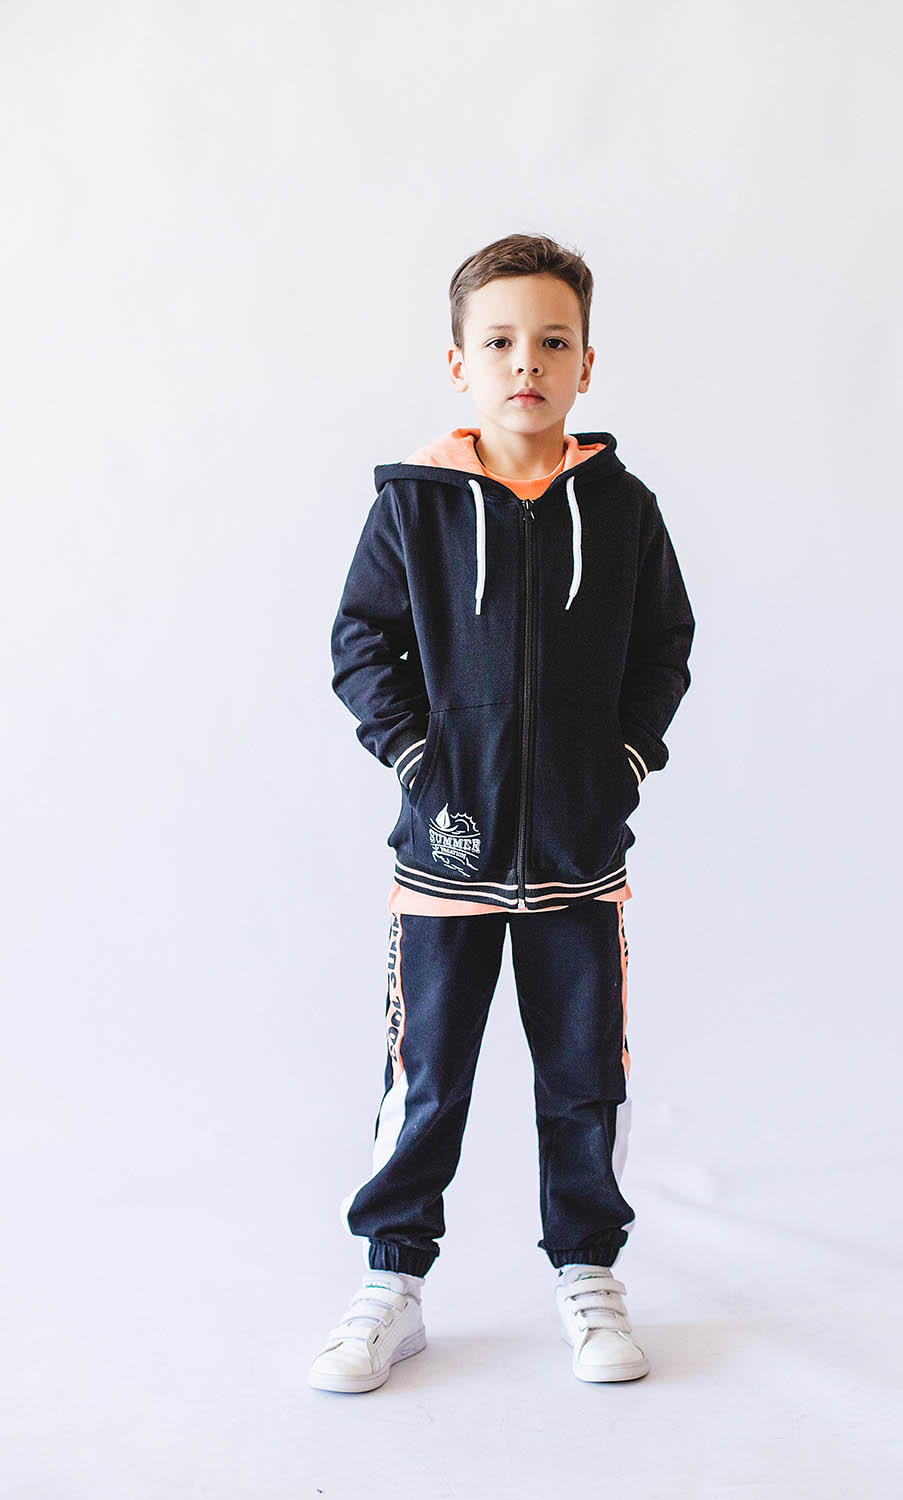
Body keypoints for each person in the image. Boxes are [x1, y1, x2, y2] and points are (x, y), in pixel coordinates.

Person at [309, 232, 695, 1393]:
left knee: (582, 1078)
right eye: (500, 341)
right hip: (447, 855)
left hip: (578, 853)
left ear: (585, 364)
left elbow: (664, 647)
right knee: (427, 1078)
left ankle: (588, 1270)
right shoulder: (415, 509)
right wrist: (419, 759)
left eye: (552, 341)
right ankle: (391, 1280)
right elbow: (362, 643)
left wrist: (622, 761)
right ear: (458, 363)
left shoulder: (621, 511)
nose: (526, 361)